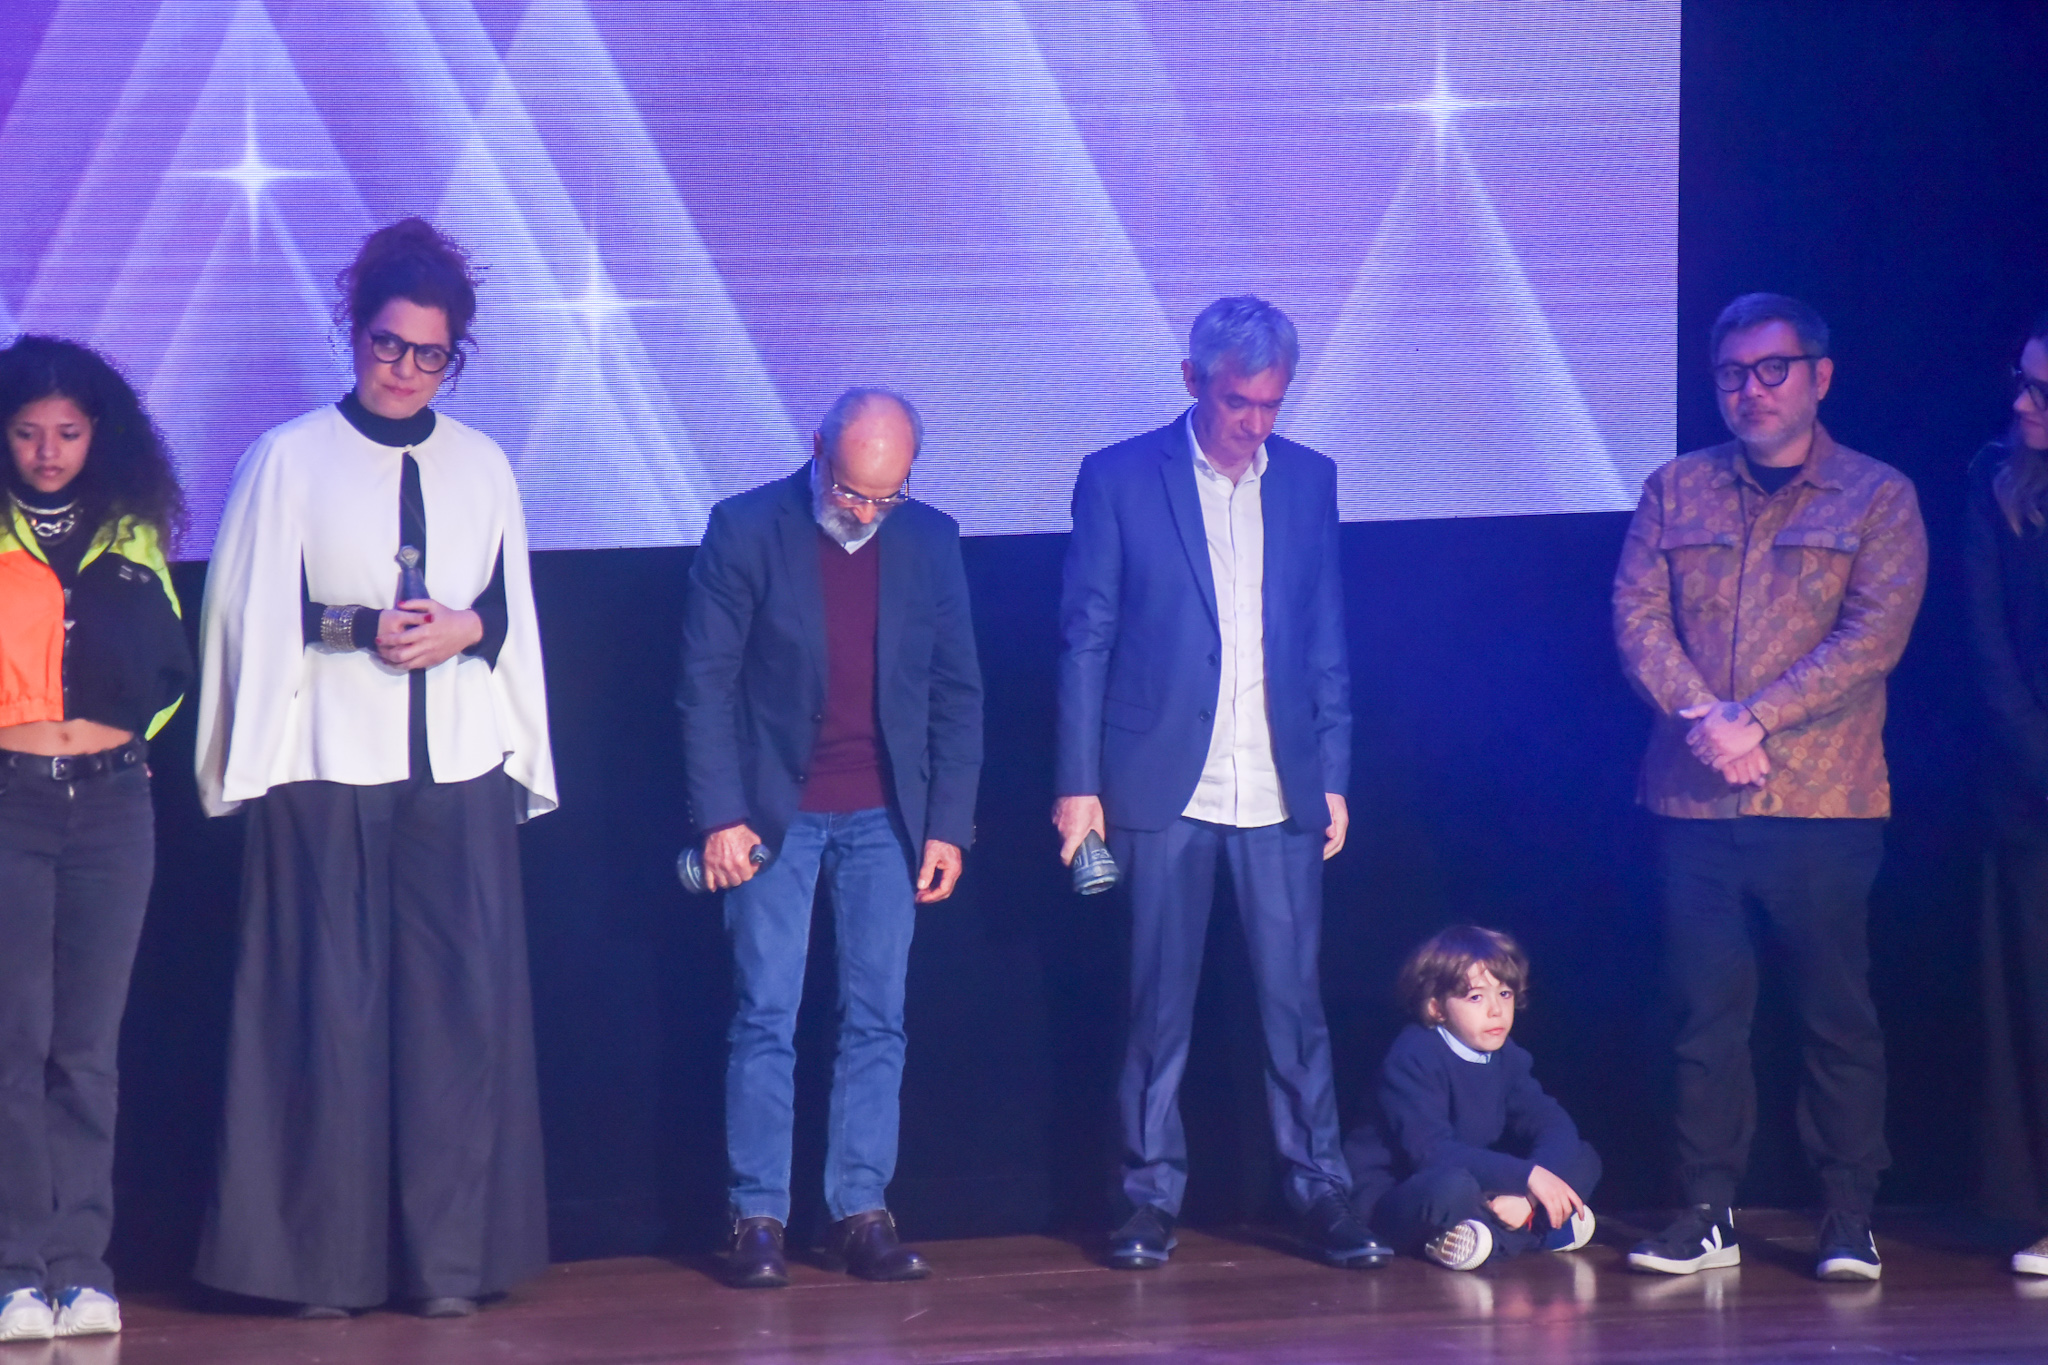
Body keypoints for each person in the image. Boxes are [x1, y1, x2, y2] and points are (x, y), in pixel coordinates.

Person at [191, 218, 557, 1318]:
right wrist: (242, 763)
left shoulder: (483, 463)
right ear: (354, 336)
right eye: (386, 345)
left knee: (458, 1021)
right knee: (325, 1023)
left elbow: (510, 614)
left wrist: (465, 629)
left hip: (453, 767)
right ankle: (319, 1271)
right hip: (325, 764)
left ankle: (450, 1266)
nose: (402, 370)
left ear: (457, 358)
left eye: (427, 354)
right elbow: (243, 616)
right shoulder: (290, 457)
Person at [1053, 295, 1387, 1270]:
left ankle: (1319, 1194)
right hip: (1160, 780)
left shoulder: (1306, 481)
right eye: (1237, 401)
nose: (1253, 423)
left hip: (1278, 782)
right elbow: (1086, 636)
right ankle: (1145, 1198)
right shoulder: (1118, 478)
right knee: (1156, 1004)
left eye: (1270, 405)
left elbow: (1324, 634)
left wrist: (1330, 770)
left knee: (1294, 1003)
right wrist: (1078, 782)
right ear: (1193, 381)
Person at [1613, 292, 1926, 1282]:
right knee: (1704, 1015)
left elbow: (1870, 637)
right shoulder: (1674, 488)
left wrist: (1758, 720)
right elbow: (1635, 619)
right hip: (1692, 803)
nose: (1748, 391)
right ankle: (1705, 1211)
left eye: (1768, 370)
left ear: (1817, 376)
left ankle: (1844, 1218)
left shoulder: (1875, 496)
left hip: (1823, 806)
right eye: (1730, 375)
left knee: (1835, 1014)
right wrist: (1707, 721)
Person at [678, 387, 983, 1288]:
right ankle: (757, 1216)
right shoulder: (744, 527)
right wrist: (718, 817)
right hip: (775, 812)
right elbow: (704, 684)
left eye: (883, 496)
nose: (863, 512)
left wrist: (949, 826)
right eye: (851, 490)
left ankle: (858, 1209)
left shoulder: (929, 538)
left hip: (886, 814)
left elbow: (957, 693)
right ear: (817, 449)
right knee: (767, 1011)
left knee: (876, 1016)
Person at [0, 337, 190, 1342]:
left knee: (89, 1051)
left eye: (67, 433)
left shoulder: (131, 532)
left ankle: (83, 1265)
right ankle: (14, 1269)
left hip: (115, 808)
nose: (46, 451)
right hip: (10, 804)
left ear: (98, 436)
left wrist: (135, 746)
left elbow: (168, 665)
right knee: (13, 1045)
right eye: (27, 433)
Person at [1344, 927, 1599, 1272]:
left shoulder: (1508, 1056)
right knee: (1451, 1186)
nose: (1496, 1010)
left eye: (1505, 993)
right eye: (1476, 997)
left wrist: (1526, 1197)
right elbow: (1431, 1153)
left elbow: (1553, 1124)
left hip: (1479, 1187)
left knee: (1582, 1155)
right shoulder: (1413, 1057)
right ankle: (1534, 1234)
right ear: (1437, 1008)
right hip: (1400, 1195)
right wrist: (1528, 1178)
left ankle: (1493, 1231)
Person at [1963, 311, 2048, 1276]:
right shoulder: (1995, 481)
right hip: (2031, 790)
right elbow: (1987, 648)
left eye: (2042, 392)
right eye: (2019, 382)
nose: (2021, 403)